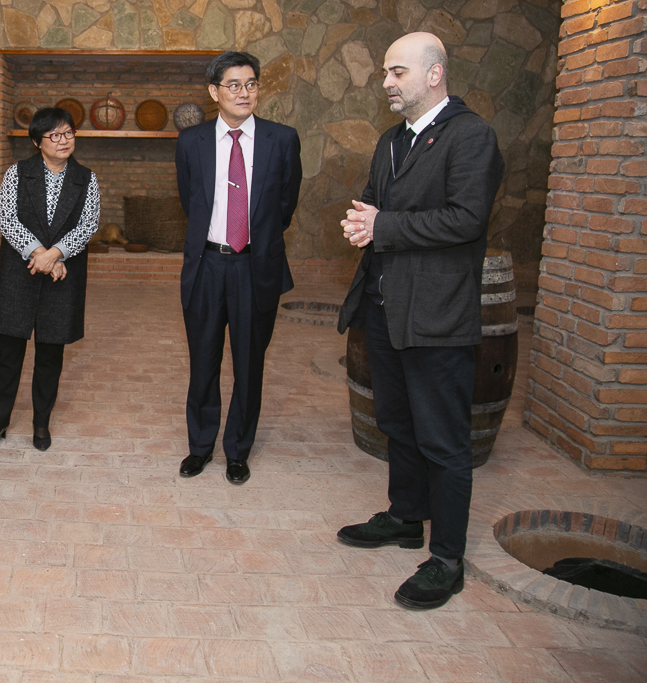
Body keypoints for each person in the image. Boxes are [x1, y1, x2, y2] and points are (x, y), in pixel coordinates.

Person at [336, 31, 505, 609]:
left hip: (436, 316)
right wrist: (363, 222)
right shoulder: (390, 140)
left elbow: (466, 219)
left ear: (435, 74)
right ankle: (406, 517)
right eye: (386, 72)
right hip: (385, 309)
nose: (386, 82)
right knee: (397, 422)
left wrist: (382, 226)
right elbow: (375, 203)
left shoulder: (472, 136)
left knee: (443, 441)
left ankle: (447, 559)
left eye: (398, 72)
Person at [175, 51, 303, 484]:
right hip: (206, 267)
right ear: (214, 92)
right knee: (203, 362)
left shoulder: (281, 139)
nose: (244, 92)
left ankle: (237, 451)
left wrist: (254, 238)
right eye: (233, 85)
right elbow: (190, 201)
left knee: (249, 367)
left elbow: (284, 206)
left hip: (255, 267)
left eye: (251, 84)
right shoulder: (191, 142)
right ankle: (200, 448)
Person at [0, 107, 100, 452]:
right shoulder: (17, 173)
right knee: (8, 353)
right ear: (37, 141)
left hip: (63, 275)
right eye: (54, 135)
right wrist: (41, 255)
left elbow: (88, 225)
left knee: (50, 354)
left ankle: (41, 423)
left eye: (69, 133)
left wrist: (55, 254)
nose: (64, 141)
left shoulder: (86, 178)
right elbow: (7, 218)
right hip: (19, 273)